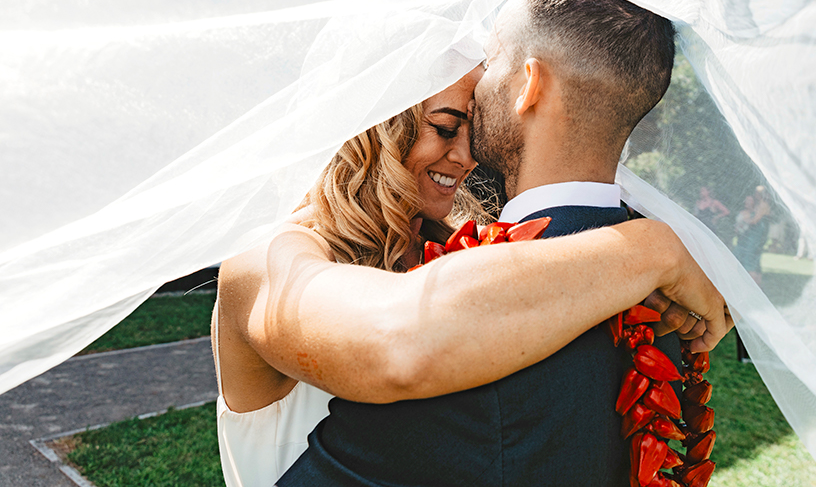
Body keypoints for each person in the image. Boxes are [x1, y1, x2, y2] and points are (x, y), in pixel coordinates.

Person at [215, 33, 731, 485]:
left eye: (472, 128)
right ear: (375, 128)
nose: (465, 157)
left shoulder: (474, 252)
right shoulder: (260, 265)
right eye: (444, 127)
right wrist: (652, 248)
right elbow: (395, 341)